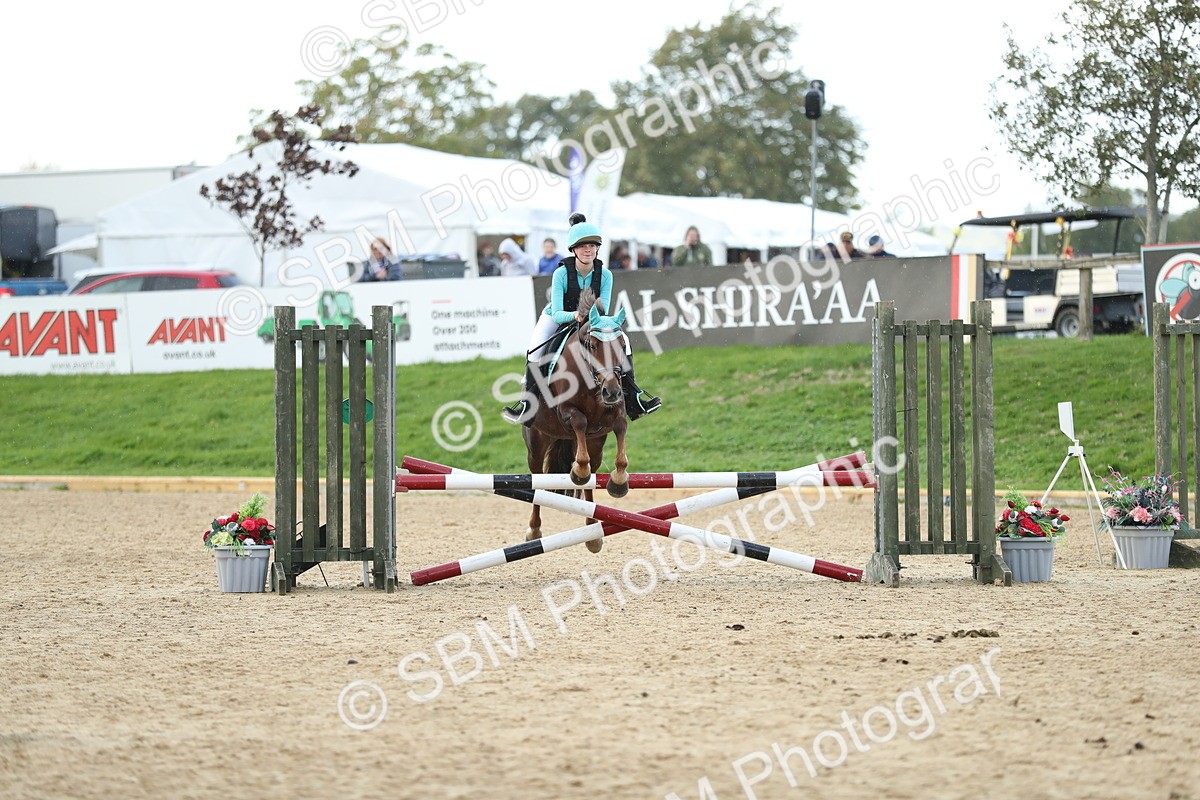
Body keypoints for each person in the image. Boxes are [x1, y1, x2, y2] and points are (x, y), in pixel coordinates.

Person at [502, 212, 662, 425]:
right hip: (557, 316)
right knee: (535, 349)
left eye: (592, 246)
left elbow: (602, 308)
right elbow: (557, 312)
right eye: (582, 246)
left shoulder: (606, 275)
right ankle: (526, 406)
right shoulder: (561, 274)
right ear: (573, 250)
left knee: (624, 340)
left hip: (591, 320)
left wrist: (587, 318)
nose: (588, 250)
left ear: (598, 248)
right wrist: (575, 315)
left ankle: (634, 399)